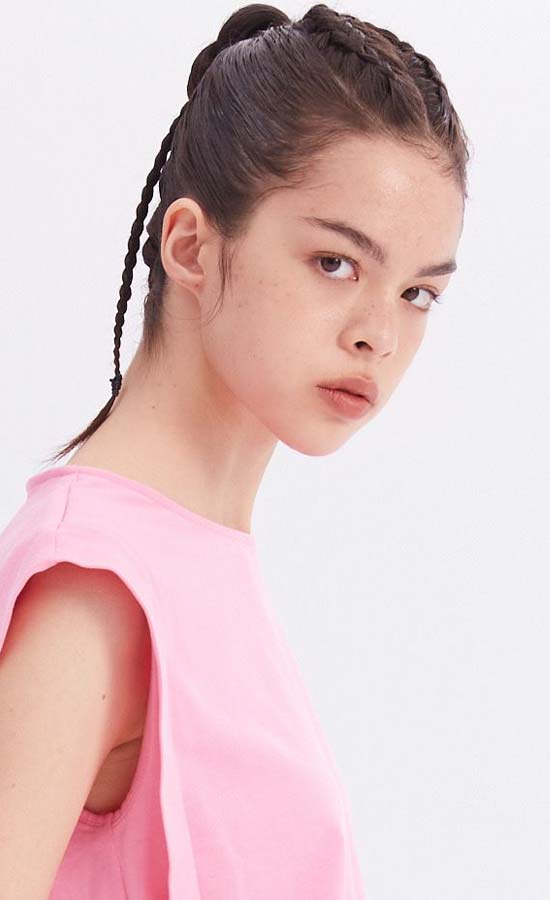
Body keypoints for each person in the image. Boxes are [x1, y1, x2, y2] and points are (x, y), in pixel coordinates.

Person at [0, 3, 470, 897]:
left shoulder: (194, 557)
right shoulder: (96, 585)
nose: (378, 333)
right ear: (191, 246)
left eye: (417, 293)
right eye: (335, 262)